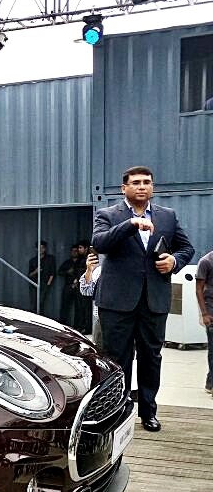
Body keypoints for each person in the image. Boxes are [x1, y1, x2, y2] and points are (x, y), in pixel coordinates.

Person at [92, 166, 194, 432]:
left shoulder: (168, 216)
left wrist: (174, 261)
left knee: (151, 357)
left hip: (154, 300)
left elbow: (187, 248)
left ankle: (148, 412)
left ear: (152, 187)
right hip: (116, 302)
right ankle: (118, 410)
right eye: (136, 182)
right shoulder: (108, 215)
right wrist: (131, 225)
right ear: (123, 188)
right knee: (117, 359)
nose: (142, 186)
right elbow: (100, 243)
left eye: (147, 182)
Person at [196, 248, 213, 396]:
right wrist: (205, 314)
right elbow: (199, 290)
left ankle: (210, 380)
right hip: (211, 309)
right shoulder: (206, 262)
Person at [78, 250, 102, 349]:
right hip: (101, 318)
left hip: (125, 318)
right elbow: (86, 290)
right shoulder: (100, 270)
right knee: (99, 352)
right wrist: (89, 270)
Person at [27, 241, 56, 315]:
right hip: (34, 284)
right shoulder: (33, 260)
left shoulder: (50, 259)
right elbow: (29, 275)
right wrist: (35, 271)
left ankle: (40, 319)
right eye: (39, 248)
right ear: (36, 249)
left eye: (42, 248)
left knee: (41, 303)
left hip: (44, 283)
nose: (41, 249)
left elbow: (53, 272)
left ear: (45, 249)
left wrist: (48, 284)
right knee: (34, 304)